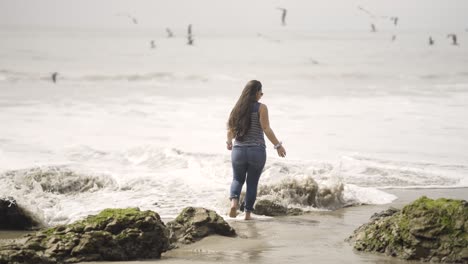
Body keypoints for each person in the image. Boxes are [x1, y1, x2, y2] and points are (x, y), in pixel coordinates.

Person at [226, 80, 286, 220]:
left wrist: (229, 143)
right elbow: (266, 128)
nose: (262, 95)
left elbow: (231, 131)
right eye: (261, 92)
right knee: (252, 183)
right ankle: (247, 214)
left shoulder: (236, 109)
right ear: (255, 93)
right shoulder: (261, 108)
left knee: (237, 179)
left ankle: (234, 203)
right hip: (256, 151)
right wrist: (278, 145)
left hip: (239, 151)